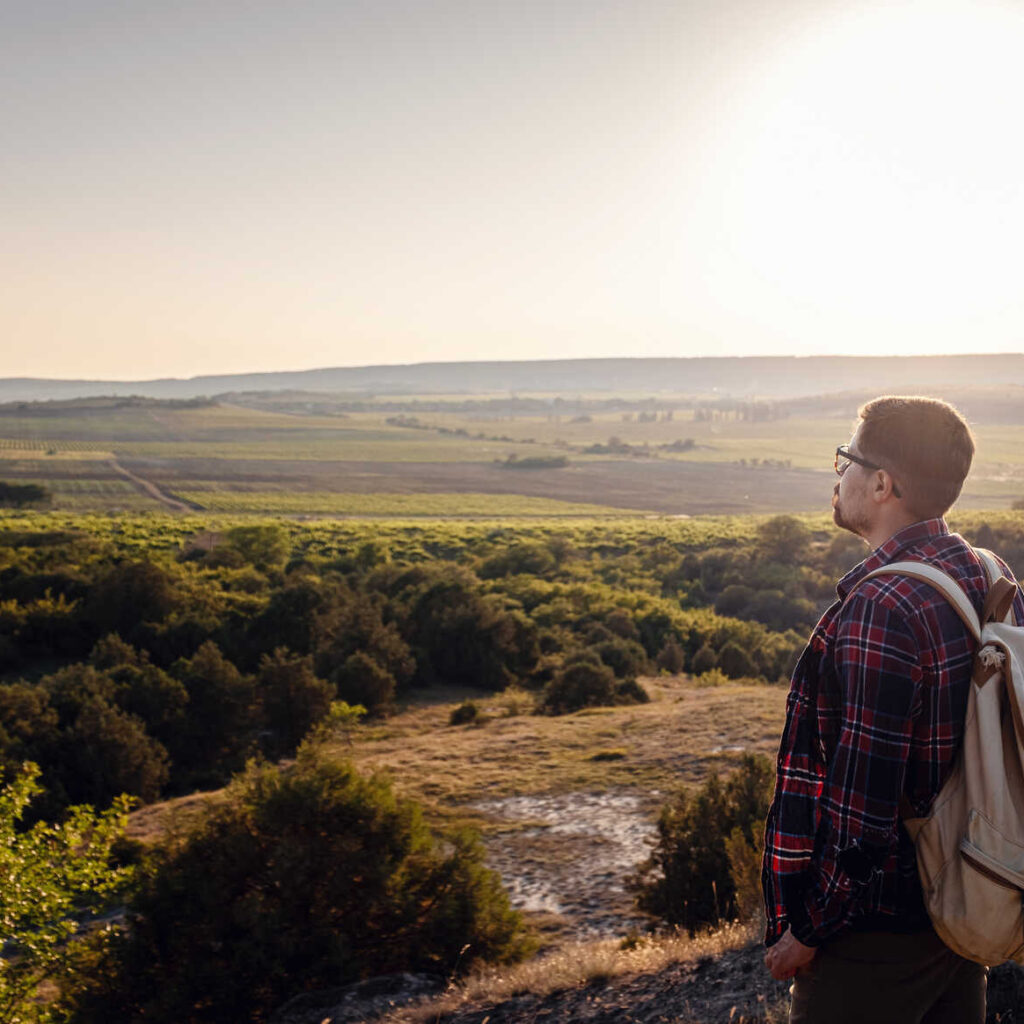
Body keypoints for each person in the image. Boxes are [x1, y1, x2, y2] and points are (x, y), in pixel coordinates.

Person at [761, 395, 1024, 1024]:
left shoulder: (883, 606)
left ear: (882, 484)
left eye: (846, 458)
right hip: (963, 901)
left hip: (876, 936)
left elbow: (863, 809)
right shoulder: (985, 572)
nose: (837, 473)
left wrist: (810, 928)